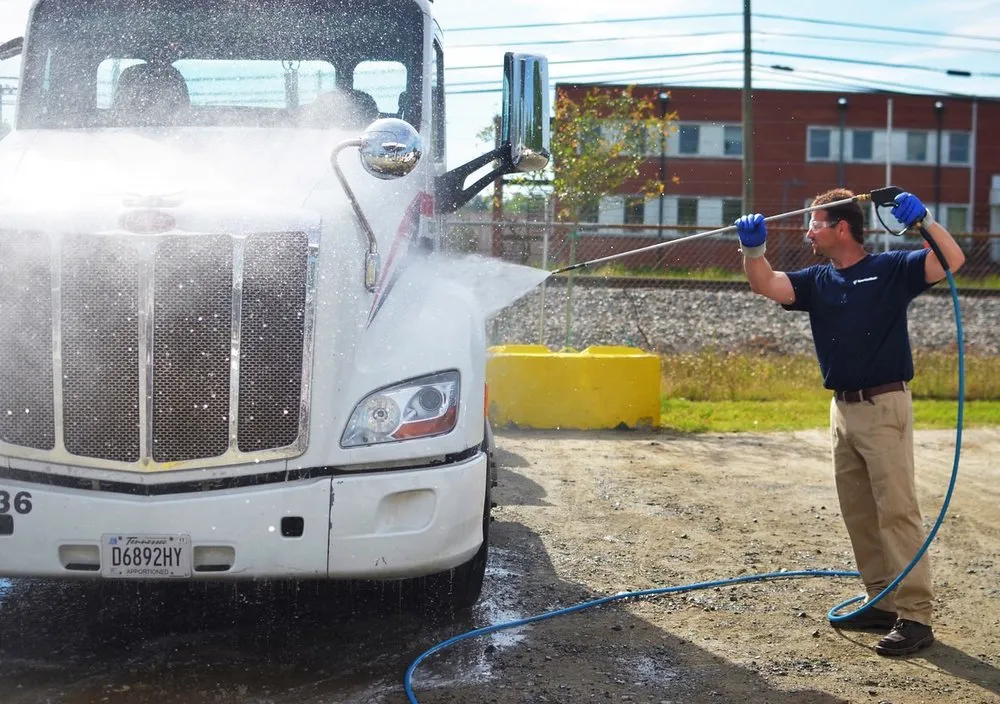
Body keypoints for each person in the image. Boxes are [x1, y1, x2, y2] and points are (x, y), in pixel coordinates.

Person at [735, 188, 965, 657]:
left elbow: (952, 260)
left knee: (896, 511)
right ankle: (880, 597)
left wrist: (924, 222)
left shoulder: (890, 270)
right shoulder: (818, 280)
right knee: (858, 510)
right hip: (842, 409)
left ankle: (916, 617)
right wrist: (752, 250)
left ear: (842, 228)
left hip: (885, 407)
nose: (808, 231)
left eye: (815, 223)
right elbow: (766, 283)